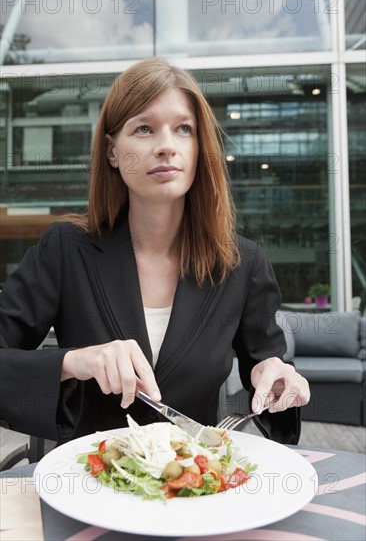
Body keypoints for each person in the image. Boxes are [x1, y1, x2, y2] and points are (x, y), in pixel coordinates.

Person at [0, 58, 309, 446]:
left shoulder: (242, 264)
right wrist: (74, 362)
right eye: (144, 128)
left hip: (194, 489)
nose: (166, 146)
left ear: (199, 149)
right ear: (113, 152)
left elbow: (267, 368)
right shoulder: (64, 249)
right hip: (90, 490)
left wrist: (278, 377)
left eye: (184, 129)